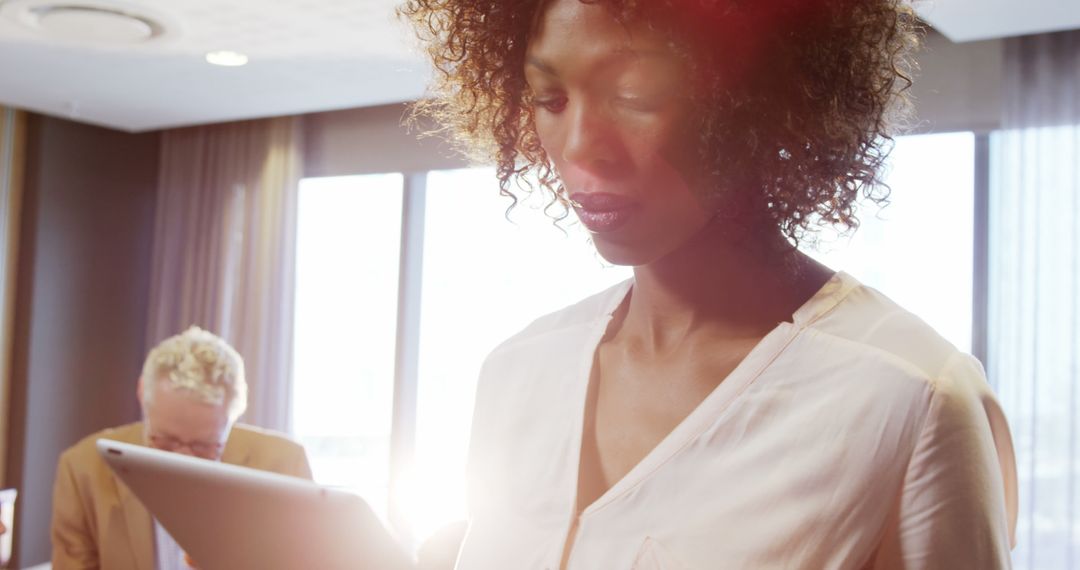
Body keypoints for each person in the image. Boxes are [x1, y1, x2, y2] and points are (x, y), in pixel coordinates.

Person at [399, 0, 1018, 568]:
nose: (583, 146)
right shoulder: (516, 371)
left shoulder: (909, 397)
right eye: (550, 98)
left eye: (634, 94)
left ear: (762, 96)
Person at [51, 326, 312, 570]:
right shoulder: (84, 468)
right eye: (166, 441)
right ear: (143, 394)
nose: (183, 459)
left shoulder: (284, 466)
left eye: (204, 446)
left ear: (233, 416)